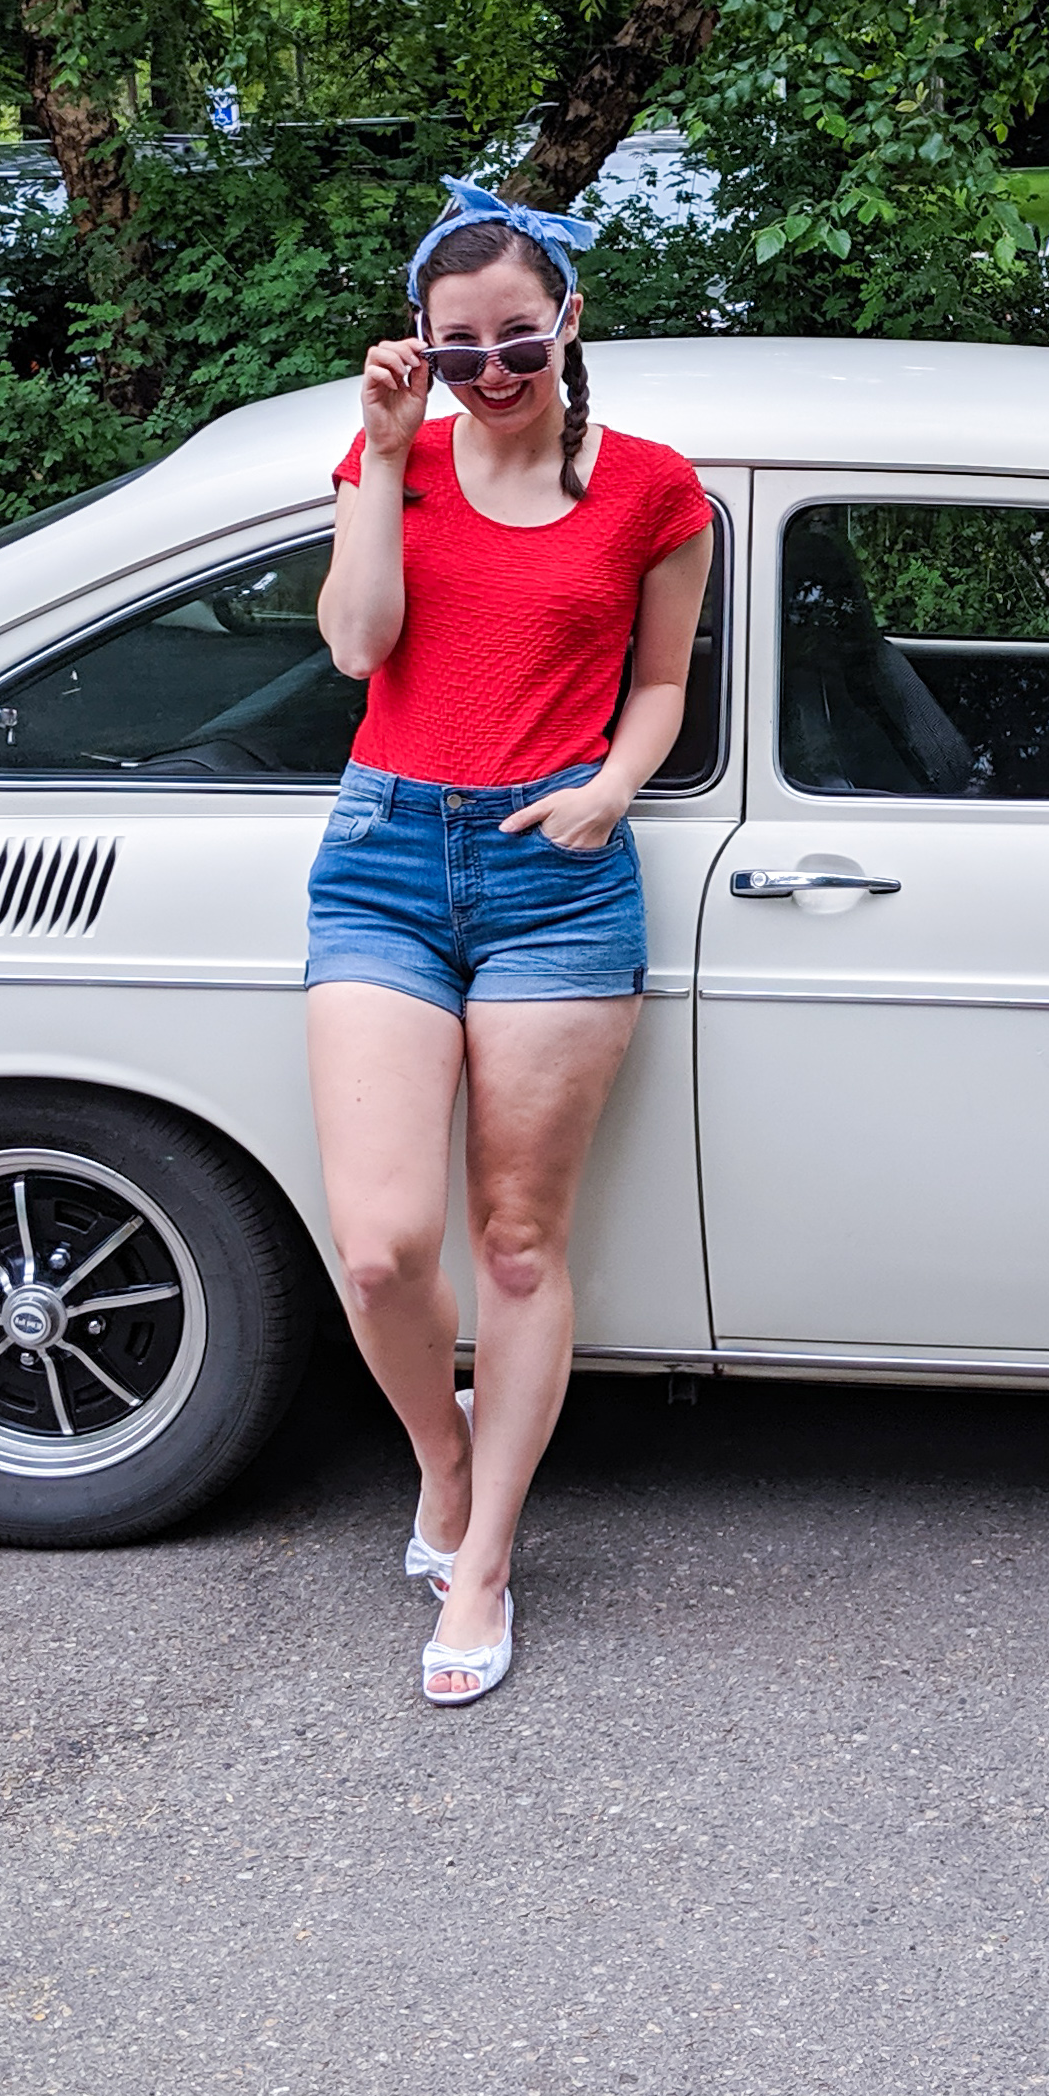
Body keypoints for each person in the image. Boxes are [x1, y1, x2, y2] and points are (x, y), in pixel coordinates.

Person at [308, 179, 714, 1706]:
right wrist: (388, 460)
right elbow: (356, 646)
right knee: (380, 1245)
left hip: (557, 871)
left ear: (568, 327)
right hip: (384, 856)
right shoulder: (386, 462)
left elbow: (662, 690)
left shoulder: (654, 493)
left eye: (516, 344)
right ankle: (442, 1460)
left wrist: (608, 792)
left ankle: (481, 1560)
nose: (489, 372)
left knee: (521, 1243)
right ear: (420, 343)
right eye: (457, 345)